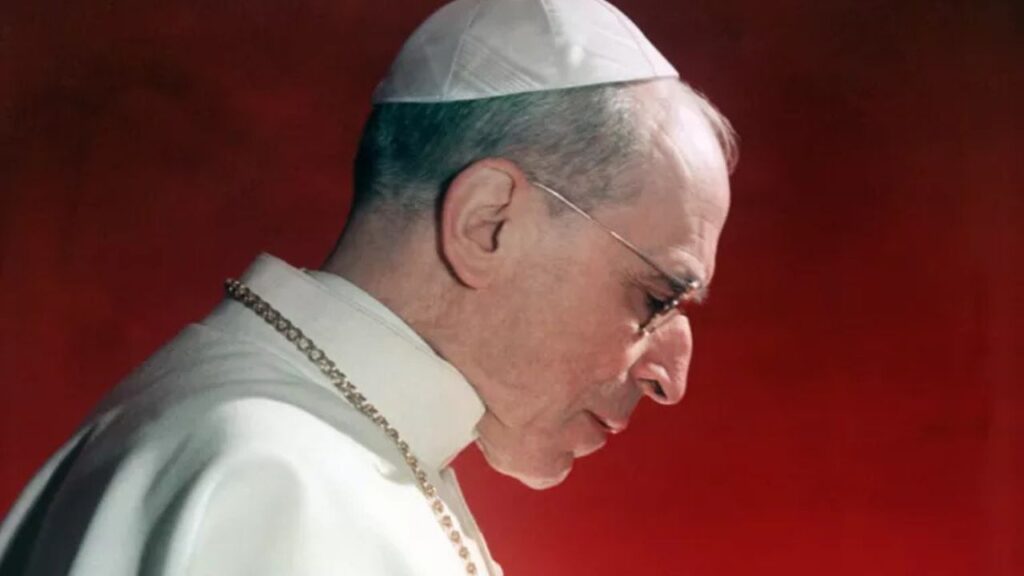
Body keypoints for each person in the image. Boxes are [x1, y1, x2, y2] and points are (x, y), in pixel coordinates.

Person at [0, 0, 737, 574]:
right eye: (655, 296)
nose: (671, 376)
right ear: (489, 223)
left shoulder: (301, 446)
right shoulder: (275, 482)